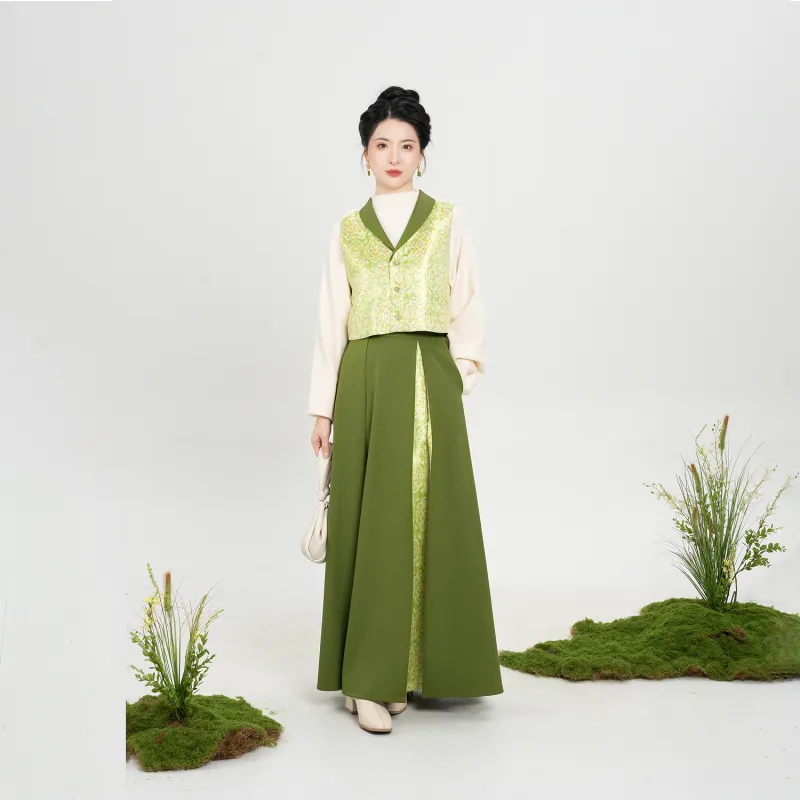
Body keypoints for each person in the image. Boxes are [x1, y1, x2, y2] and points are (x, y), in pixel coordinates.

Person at [306, 86, 503, 734]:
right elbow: (331, 320)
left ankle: (406, 672)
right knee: (374, 523)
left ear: (423, 154)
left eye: (407, 145)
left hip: (427, 374)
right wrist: (322, 408)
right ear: (365, 154)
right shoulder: (346, 230)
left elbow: (467, 300)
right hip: (365, 379)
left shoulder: (447, 219)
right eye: (382, 145)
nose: (394, 156)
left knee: (427, 517)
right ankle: (367, 676)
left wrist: (459, 373)